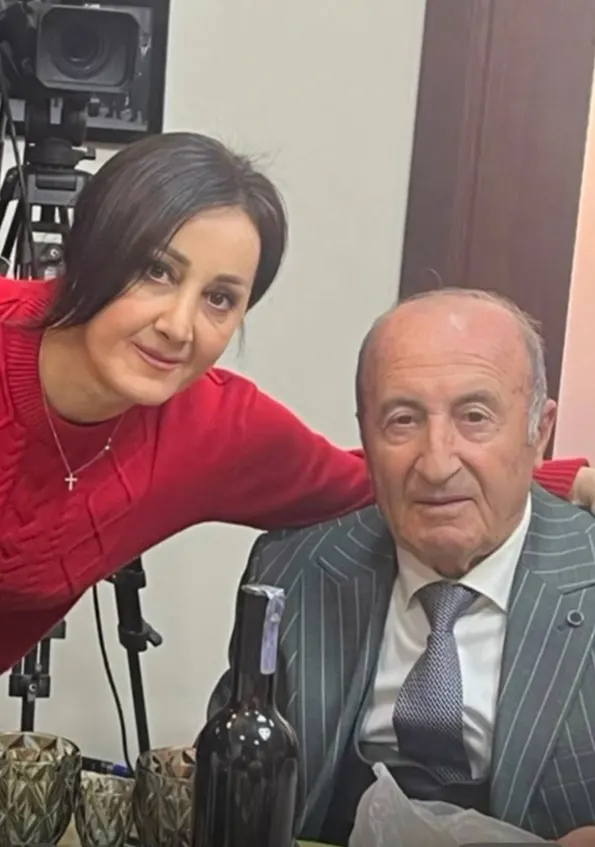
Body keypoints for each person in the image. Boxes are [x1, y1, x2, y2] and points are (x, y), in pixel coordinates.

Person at [0, 132, 590, 676]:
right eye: (156, 272)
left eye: (219, 299)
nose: (179, 326)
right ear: (93, 248)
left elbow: (371, 480)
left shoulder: (216, 430)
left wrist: (559, 475)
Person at [209, 289, 595, 847]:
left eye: (475, 417)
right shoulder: (292, 569)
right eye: (402, 420)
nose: (436, 464)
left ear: (540, 432)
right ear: (366, 436)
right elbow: (237, 779)